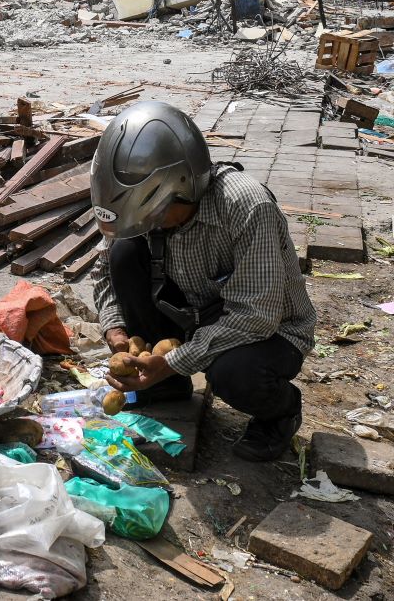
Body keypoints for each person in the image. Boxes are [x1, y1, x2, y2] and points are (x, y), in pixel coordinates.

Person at [91, 101, 315, 462]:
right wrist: (116, 331)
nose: (150, 224)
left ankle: (281, 412)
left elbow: (257, 316)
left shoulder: (246, 207)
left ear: (184, 186)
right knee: (125, 253)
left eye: (156, 214)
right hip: (197, 313)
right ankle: (164, 386)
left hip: (271, 330)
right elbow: (104, 274)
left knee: (231, 373)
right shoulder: (142, 215)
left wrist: (174, 358)